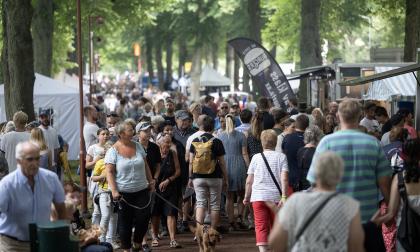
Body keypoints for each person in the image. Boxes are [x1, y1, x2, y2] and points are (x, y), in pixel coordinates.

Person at [306, 99, 391, 224]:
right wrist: (389, 212)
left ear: (338, 116)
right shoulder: (373, 143)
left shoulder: (326, 143)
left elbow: (314, 181)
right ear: (360, 115)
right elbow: (384, 183)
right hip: (368, 219)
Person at [269, 152, 364, 252]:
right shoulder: (350, 205)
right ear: (340, 175)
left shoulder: (295, 201)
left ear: (315, 172)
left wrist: (279, 218)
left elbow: (275, 242)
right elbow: (356, 248)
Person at [0, 141, 66, 251]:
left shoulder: (51, 179)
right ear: (19, 160)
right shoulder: (7, 185)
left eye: (37, 159)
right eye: (30, 159)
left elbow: (61, 209)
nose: (35, 163)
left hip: (42, 241)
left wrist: (60, 235)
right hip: (12, 245)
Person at [105, 121, 155, 252]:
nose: (133, 131)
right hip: (123, 193)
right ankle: (126, 249)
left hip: (142, 190)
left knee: (144, 219)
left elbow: (145, 165)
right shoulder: (112, 151)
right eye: (130, 130)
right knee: (125, 222)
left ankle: (137, 244)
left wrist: (151, 181)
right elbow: (109, 172)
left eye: (132, 129)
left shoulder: (138, 146)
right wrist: (114, 191)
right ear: (121, 134)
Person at [243, 130, 289, 252]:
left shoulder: (255, 158)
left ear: (262, 143)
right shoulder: (282, 157)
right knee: (277, 225)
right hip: (275, 197)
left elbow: (249, 181)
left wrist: (246, 197)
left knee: (260, 226)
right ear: (275, 142)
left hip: (258, 196)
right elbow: (284, 179)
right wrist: (284, 196)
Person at [375, 139, 420, 252]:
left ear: (404, 157)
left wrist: (377, 220)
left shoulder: (399, 179)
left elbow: (391, 215)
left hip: (406, 237)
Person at [188, 115, 228, 230]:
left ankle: (199, 232)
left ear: (202, 127)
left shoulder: (195, 141)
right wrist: (226, 178)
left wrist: (190, 178)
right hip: (215, 177)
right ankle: (213, 231)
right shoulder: (217, 141)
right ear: (213, 127)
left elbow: (191, 162)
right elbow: (222, 163)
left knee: (200, 203)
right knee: (215, 205)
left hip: (197, 177)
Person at [217, 114, 250, 230]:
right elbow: (245, 154)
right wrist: (249, 168)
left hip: (225, 166)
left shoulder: (220, 136)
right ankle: (241, 218)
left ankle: (231, 221)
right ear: (235, 123)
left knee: (229, 197)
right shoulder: (242, 136)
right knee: (241, 195)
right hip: (239, 165)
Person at [151, 135, 182, 248]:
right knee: (155, 213)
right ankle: (154, 236)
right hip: (155, 188)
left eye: (169, 144)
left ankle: (173, 239)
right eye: (165, 144)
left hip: (170, 188)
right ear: (159, 144)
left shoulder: (172, 153)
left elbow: (178, 171)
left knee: (171, 213)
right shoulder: (154, 153)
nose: (168, 146)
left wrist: (168, 180)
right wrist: (153, 182)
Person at [91, 143, 119, 249]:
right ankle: (101, 239)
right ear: (105, 152)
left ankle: (111, 239)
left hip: (116, 191)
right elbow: (93, 178)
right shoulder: (100, 162)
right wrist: (104, 175)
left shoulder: (118, 162)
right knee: (106, 215)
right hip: (104, 191)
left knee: (114, 217)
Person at [86, 128, 110, 226]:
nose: (105, 136)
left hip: (109, 181)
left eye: (107, 134)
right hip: (97, 179)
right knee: (97, 207)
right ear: (98, 136)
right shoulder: (93, 147)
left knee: (108, 208)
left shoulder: (111, 147)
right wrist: (96, 160)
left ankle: (107, 232)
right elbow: (87, 165)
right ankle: (95, 231)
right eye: (103, 134)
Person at [282, 114, 309, 192]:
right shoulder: (309, 140)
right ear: (307, 126)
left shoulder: (287, 138)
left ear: (296, 124)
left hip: (290, 178)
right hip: (305, 180)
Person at [296, 125, 323, 191]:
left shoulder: (300, 151)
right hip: (313, 188)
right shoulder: (318, 153)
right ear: (318, 136)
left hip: (301, 187)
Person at [38, 109, 60, 175]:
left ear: (49, 117)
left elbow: (56, 148)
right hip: (42, 165)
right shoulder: (38, 131)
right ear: (39, 118)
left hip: (53, 165)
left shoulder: (53, 131)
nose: (44, 119)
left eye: (46, 116)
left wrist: (55, 162)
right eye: (42, 117)